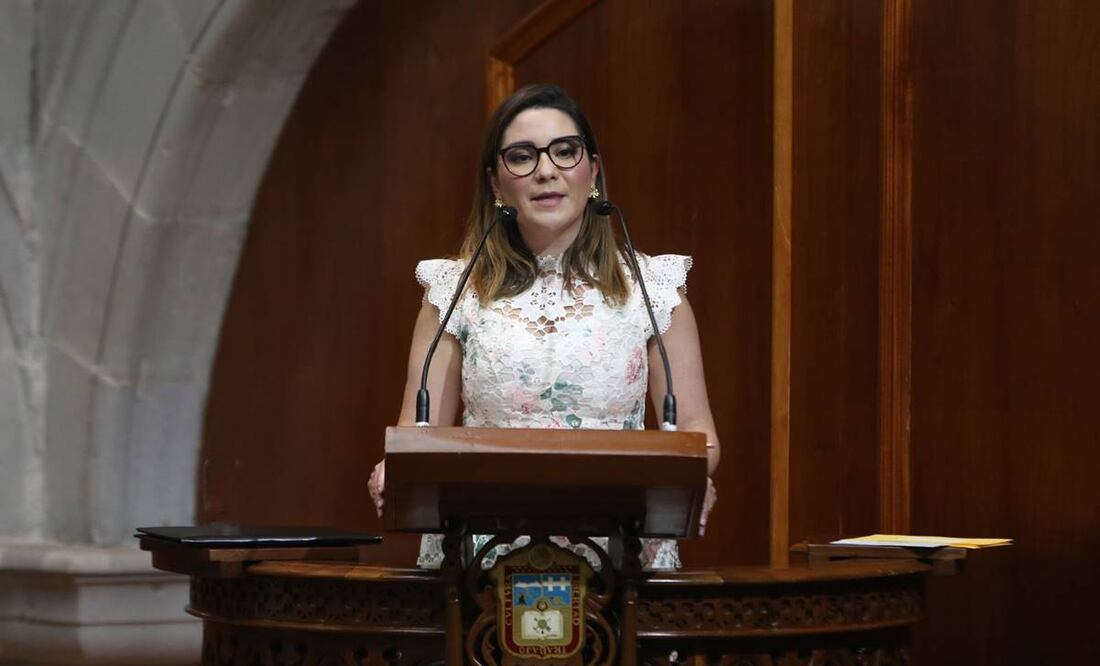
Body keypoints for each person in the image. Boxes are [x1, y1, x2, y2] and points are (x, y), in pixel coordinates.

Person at [368, 83, 719, 570]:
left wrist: (692, 474)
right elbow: (418, 431)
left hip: (623, 563)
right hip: (482, 565)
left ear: (593, 170)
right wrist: (393, 471)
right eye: (522, 156)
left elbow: (698, 432)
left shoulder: (653, 288)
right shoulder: (454, 292)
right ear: (495, 183)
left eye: (564, 151)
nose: (546, 171)